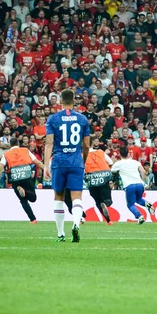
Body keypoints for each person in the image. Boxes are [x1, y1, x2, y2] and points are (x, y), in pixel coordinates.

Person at [44, 89, 90, 243]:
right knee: (77, 197)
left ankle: (60, 234)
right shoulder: (82, 119)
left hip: (59, 161)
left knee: (58, 196)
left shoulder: (53, 119)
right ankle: (76, 224)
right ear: (74, 100)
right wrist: (83, 160)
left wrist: (45, 166)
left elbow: (49, 143)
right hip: (76, 161)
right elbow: (87, 145)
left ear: (60, 101)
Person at [0, 137, 44, 223]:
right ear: (18, 143)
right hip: (26, 175)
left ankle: (33, 219)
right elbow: (37, 162)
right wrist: (47, 170)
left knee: (23, 200)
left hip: (15, 178)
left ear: (10, 145)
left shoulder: (6, 154)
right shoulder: (25, 150)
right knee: (33, 198)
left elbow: (0, 168)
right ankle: (25, 192)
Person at [111, 146, 155, 224]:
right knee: (138, 199)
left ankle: (139, 216)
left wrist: (114, 162)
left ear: (120, 154)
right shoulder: (135, 162)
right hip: (139, 184)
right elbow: (143, 172)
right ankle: (147, 204)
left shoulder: (118, 164)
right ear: (128, 154)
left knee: (130, 204)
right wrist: (143, 183)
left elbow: (112, 171)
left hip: (129, 185)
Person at [83, 137, 115, 226]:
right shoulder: (101, 152)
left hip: (91, 177)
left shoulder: (82, 154)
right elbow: (111, 162)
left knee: (97, 200)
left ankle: (108, 220)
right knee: (108, 200)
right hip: (104, 175)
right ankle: (105, 203)